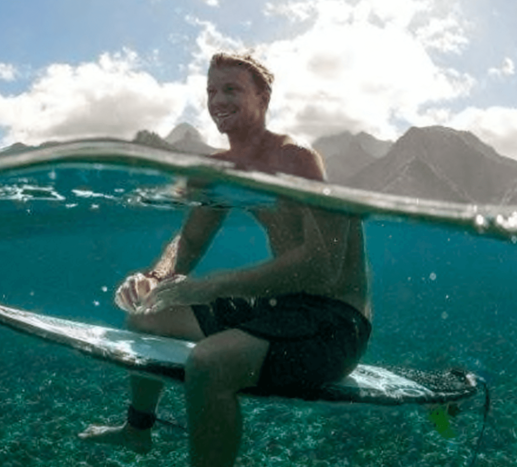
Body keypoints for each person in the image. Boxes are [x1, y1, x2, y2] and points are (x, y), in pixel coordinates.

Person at [78, 52, 372, 467]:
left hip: (334, 324)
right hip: (280, 307)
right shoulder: (216, 171)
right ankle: (137, 430)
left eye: (231, 89)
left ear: (263, 96)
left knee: (208, 363)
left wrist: (212, 285)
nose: (218, 100)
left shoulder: (296, 158)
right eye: (211, 91)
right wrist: (154, 276)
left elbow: (322, 268)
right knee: (146, 316)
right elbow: (189, 243)